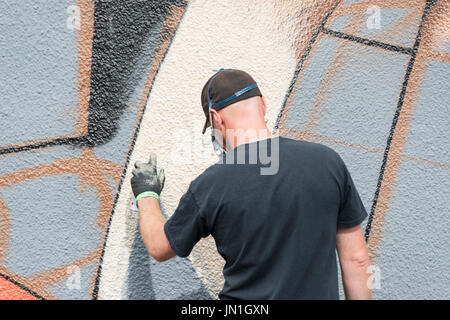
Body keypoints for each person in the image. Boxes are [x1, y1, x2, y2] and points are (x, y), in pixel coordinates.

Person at [130, 69, 371, 300]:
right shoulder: (327, 162)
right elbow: (357, 259)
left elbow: (160, 247)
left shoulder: (213, 183)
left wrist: (146, 192)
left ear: (216, 119)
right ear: (263, 104)